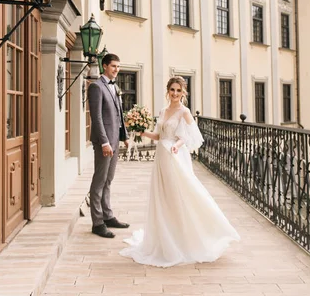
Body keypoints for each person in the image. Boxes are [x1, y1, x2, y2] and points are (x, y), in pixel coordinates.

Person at [119, 76, 240, 267]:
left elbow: (189, 136)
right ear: (168, 91)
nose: (175, 93)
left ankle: (185, 238)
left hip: (173, 156)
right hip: (161, 156)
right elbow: (159, 136)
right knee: (162, 196)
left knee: (179, 195)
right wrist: (142, 131)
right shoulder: (163, 111)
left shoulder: (184, 112)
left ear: (183, 93)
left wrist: (176, 145)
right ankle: (164, 237)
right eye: (172, 90)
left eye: (178, 90)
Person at [88, 53, 130, 238]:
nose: (116, 70)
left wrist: (125, 136)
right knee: (99, 180)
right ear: (104, 66)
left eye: (118, 67)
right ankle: (97, 223)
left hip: (115, 139)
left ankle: (107, 215)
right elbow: (96, 118)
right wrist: (105, 142)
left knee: (108, 179)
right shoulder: (97, 87)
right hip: (104, 141)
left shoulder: (115, 87)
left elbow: (119, 115)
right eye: (113, 66)